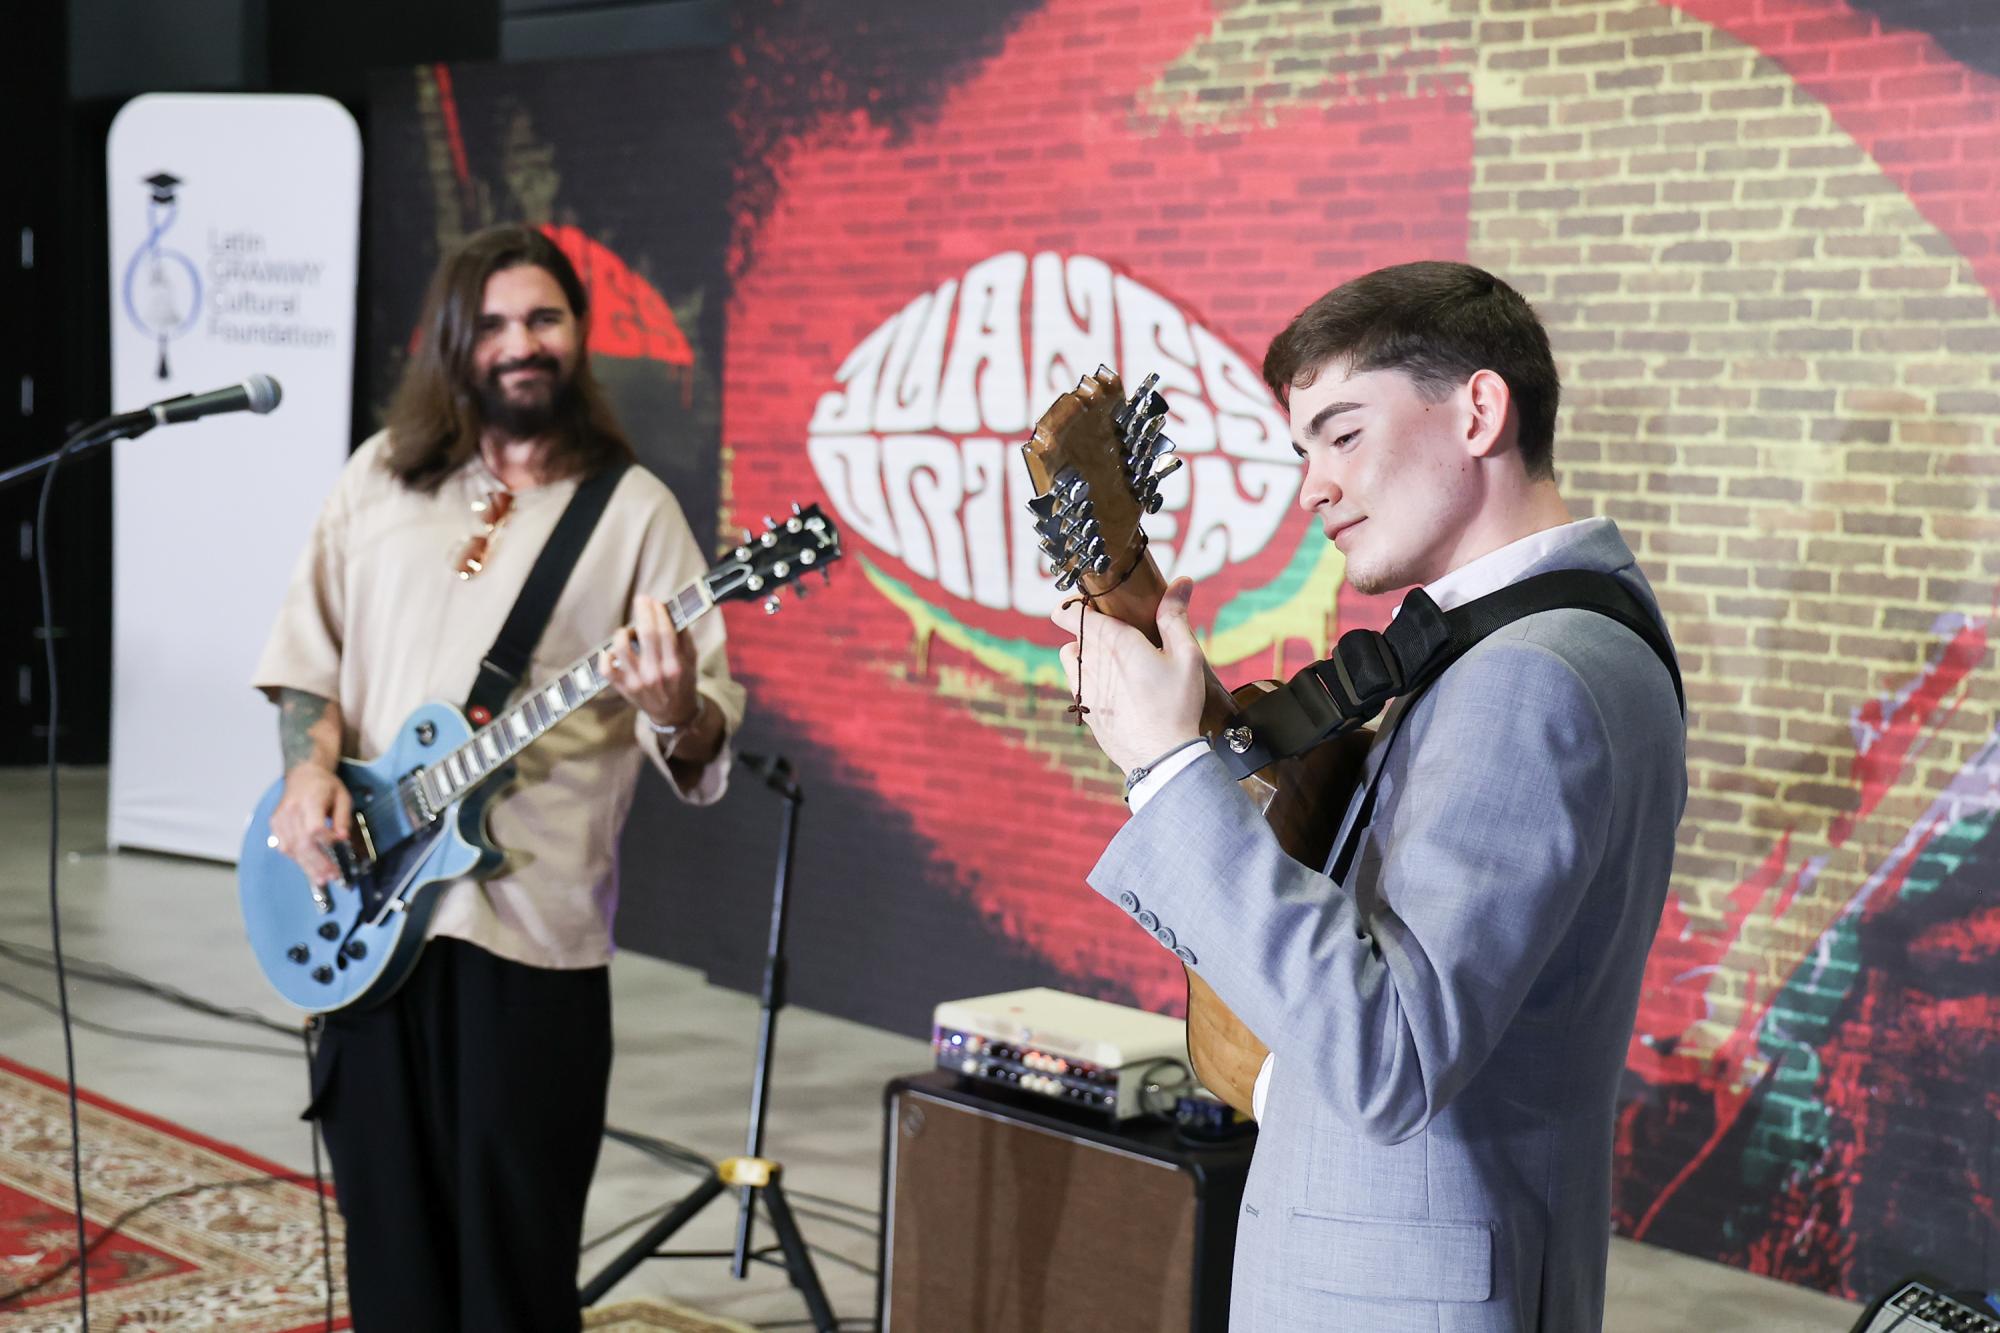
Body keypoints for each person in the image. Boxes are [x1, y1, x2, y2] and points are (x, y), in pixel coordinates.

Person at [1052, 261, 1687, 1331]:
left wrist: (1167, 767)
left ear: (1479, 411)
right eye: (1303, 447)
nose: (1312, 485)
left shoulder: (1527, 677)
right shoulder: (1525, 644)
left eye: (1341, 434)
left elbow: (1389, 1055)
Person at [253, 223, 745, 1331]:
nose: (521, 343)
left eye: (544, 319)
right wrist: (307, 774)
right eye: (494, 323)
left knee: (512, 1272)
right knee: (391, 1250)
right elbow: (305, 668)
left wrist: (674, 709)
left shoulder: (632, 511)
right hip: (368, 927)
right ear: (452, 341)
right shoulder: (378, 476)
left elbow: (701, 731)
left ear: (577, 335)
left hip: (530, 937)